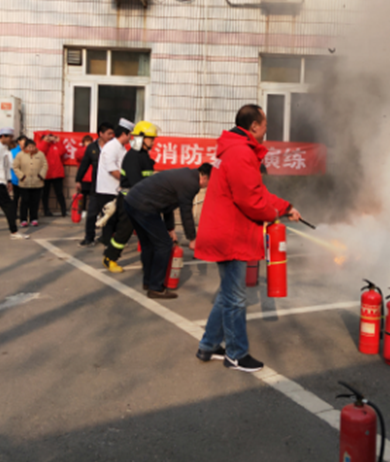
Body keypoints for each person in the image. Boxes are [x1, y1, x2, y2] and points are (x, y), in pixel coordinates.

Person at [195, 105, 300, 373]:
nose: (266, 129)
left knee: (227, 294)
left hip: (226, 230)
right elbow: (251, 200)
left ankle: (208, 346)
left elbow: (257, 191)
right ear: (254, 126)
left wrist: (285, 207)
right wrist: (274, 214)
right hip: (230, 234)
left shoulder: (234, 149)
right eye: (265, 124)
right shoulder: (241, 152)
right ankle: (236, 354)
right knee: (235, 298)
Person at [124, 163, 212, 298]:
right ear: (205, 177)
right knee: (164, 245)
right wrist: (192, 238)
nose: (208, 186)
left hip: (131, 201)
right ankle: (156, 288)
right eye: (210, 183)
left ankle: (148, 281)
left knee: (148, 244)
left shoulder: (186, 175)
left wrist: (170, 229)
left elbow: (167, 204)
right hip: (144, 206)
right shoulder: (191, 184)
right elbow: (186, 212)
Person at [102, 121, 157, 273]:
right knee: (124, 232)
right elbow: (137, 182)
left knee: (148, 233)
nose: (153, 142)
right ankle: (109, 258)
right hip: (130, 201)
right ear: (141, 138)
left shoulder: (143, 155)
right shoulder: (133, 156)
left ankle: (150, 262)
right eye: (151, 138)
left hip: (140, 200)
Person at [94, 119, 134, 246]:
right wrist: (126, 181)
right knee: (110, 218)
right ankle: (107, 242)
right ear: (124, 134)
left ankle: (110, 240)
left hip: (116, 188)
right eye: (130, 135)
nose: (131, 138)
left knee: (116, 217)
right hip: (107, 189)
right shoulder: (111, 147)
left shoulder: (121, 148)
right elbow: (112, 169)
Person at [76, 122, 114, 247]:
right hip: (96, 186)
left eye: (112, 133)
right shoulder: (92, 147)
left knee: (108, 213)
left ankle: (106, 238)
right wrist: (78, 180)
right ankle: (89, 237)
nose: (111, 136)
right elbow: (84, 164)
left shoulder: (114, 147)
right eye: (109, 133)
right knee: (92, 213)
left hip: (110, 186)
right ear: (101, 134)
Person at [13, 139, 48, 227]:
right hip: (24, 183)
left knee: (35, 202)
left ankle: (34, 219)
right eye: (29, 147)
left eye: (33, 146)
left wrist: (41, 176)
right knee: (24, 201)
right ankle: (23, 219)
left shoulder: (40, 154)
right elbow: (15, 167)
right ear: (25, 147)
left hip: (37, 182)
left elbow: (45, 166)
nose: (31, 149)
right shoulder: (20, 155)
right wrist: (22, 176)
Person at [38, 132, 67, 217]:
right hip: (46, 173)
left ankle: (63, 211)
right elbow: (41, 151)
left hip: (57, 173)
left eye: (51, 136)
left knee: (59, 193)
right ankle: (46, 211)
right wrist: (45, 141)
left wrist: (58, 141)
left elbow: (62, 152)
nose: (50, 138)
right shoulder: (42, 145)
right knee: (45, 194)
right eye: (48, 137)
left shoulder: (56, 145)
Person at [74, 134, 94, 214]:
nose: (88, 143)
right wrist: (88, 148)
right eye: (87, 141)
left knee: (92, 196)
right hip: (84, 177)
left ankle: (91, 211)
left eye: (90, 142)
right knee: (83, 195)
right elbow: (79, 155)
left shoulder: (94, 150)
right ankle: (83, 210)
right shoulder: (80, 150)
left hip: (92, 177)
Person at [9, 135, 27, 217]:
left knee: (25, 198)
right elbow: (10, 165)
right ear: (18, 142)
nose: (24, 144)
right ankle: (14, 214)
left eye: (25, 142)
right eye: (22, 142)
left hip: (26, 179)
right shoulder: (13, 152)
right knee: (16, 197)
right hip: (15, 178)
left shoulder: (28, 151)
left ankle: (23, 215)